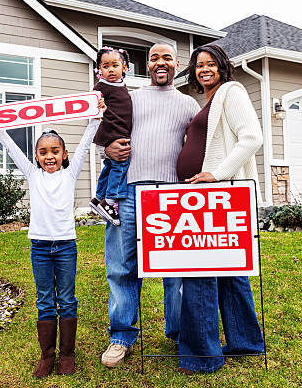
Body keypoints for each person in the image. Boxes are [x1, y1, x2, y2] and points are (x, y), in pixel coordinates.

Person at [0, 104, 102, 377]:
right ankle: (47, 356)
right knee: (45, 300)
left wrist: (95, 117)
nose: (49, 156)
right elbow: (11, 148)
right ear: (35, 156)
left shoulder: (70, 174)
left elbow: (85, 144)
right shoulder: (32, 174)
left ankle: (67, 355)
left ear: (64, 155)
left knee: (67, 300)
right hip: (40, 248)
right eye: (43, 152)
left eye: (55, 151)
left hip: (66, 246)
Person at [100, 43, 201, 368]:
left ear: (177, 64)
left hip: (172, 196)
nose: (161, 63)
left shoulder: (188, 104)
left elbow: (203, 143)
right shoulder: (132, 97)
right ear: (147, 64)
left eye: (167, 58)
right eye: (154, 58)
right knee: (122, 267)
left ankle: (179, 332)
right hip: (128, 191)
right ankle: (121, 338)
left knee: (176, 270)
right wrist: (107, 149)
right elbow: (107, 131)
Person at [175, 44, 266, 373]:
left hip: (217, 197)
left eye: (211, 63)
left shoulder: (232, 91)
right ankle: (246, 343)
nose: (204, 69)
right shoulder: (210, 101)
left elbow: (252, 138)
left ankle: (202, 357)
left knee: (199, 272)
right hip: (211, 199)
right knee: (230, 271)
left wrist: (217, 173)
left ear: (223, 67)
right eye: (199, 65)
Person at [89, 46, 133, 226]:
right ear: (100, 70)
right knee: (121, 165)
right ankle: (110, 201)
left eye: (115, 65)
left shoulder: (121, 85)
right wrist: (96, 102)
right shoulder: (101, 86)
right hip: (111, 134)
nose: (110, 69)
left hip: (114, 133)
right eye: (105, 66)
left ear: (124, 67)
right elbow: (90, 103)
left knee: (109, 167)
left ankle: (98, 198)